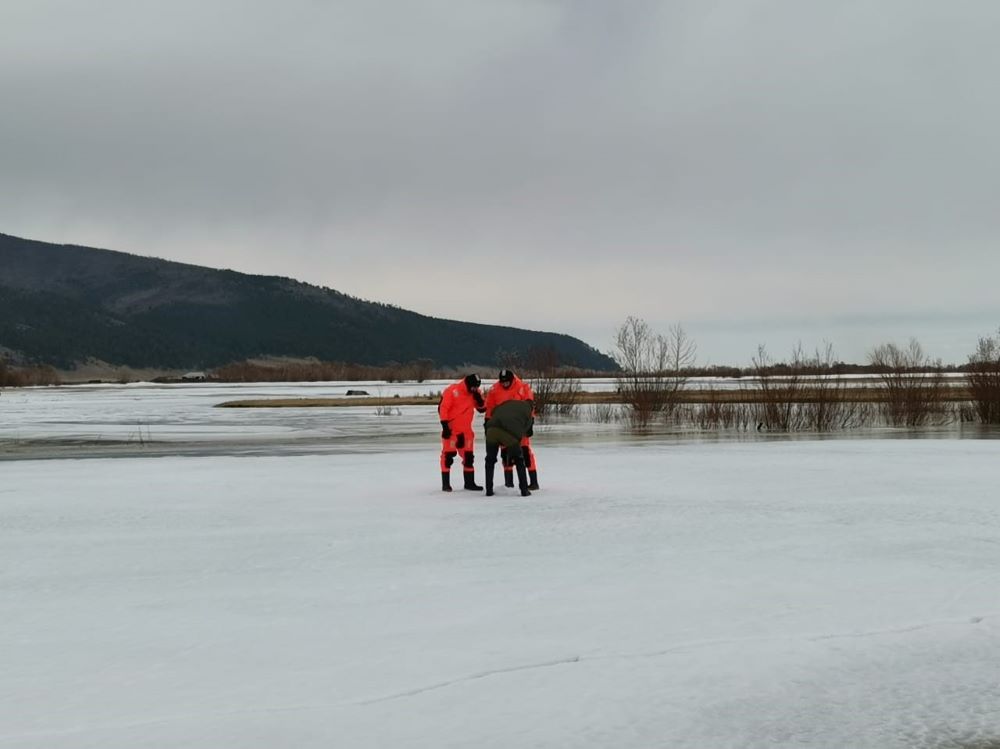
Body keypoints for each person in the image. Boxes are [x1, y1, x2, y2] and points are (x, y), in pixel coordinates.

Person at [484, 369, 540, 490]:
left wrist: (530, 424)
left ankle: (533, 482)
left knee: (525, 452)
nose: (504, 384)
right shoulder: (494, 390)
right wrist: (487, 423)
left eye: (507, 382)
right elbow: (490, 408)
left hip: (519, 426)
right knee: (506, 454)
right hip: (503, 427)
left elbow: (529, 407)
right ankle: (509, 483)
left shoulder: (523, 387)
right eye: (502, 382)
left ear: (512, 380)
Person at [437, 373, 486, 492]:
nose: (475, 389)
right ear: (468, 384)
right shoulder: (452, 390)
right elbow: (443, 408)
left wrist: (480, 401)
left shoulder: (475, 393)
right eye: (474, 387)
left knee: (469, 458)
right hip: (452, 430)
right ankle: (446, 484)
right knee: (448, 457)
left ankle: (469, 483)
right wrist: (445, 426)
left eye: (477, 387)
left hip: (467, 431)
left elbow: (482, 409)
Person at [483, 398, 534, 497]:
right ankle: (524, 490)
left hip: (491, 429)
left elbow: (494, 411)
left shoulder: (509, 402)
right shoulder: (528, 411)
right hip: (509, 434)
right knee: (519, 460)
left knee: (490, 460)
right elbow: (526, 431)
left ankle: (489, 490)